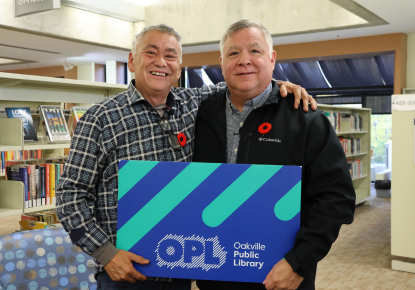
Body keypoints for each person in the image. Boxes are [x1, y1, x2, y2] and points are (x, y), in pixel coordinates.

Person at [56, 24, 316, 290]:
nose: (161, 62)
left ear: (179, 68)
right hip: (125, 274)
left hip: (181, 269)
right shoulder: (101, 118)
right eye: (151, 52)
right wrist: (106, 254)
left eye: (170, 56)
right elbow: (70, 196)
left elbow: (245, 83)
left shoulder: (194, 103)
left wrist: (281, 88)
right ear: (132, 61)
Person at [192, 20, 356, 290]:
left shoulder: (307, 120)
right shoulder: (199, 115)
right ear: (221, 63)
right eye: (233, 53)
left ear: (272, 58)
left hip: (281, 277)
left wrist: (298, 262)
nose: (244, 60)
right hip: (216, 273)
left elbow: (336, 199)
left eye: (255, 51)